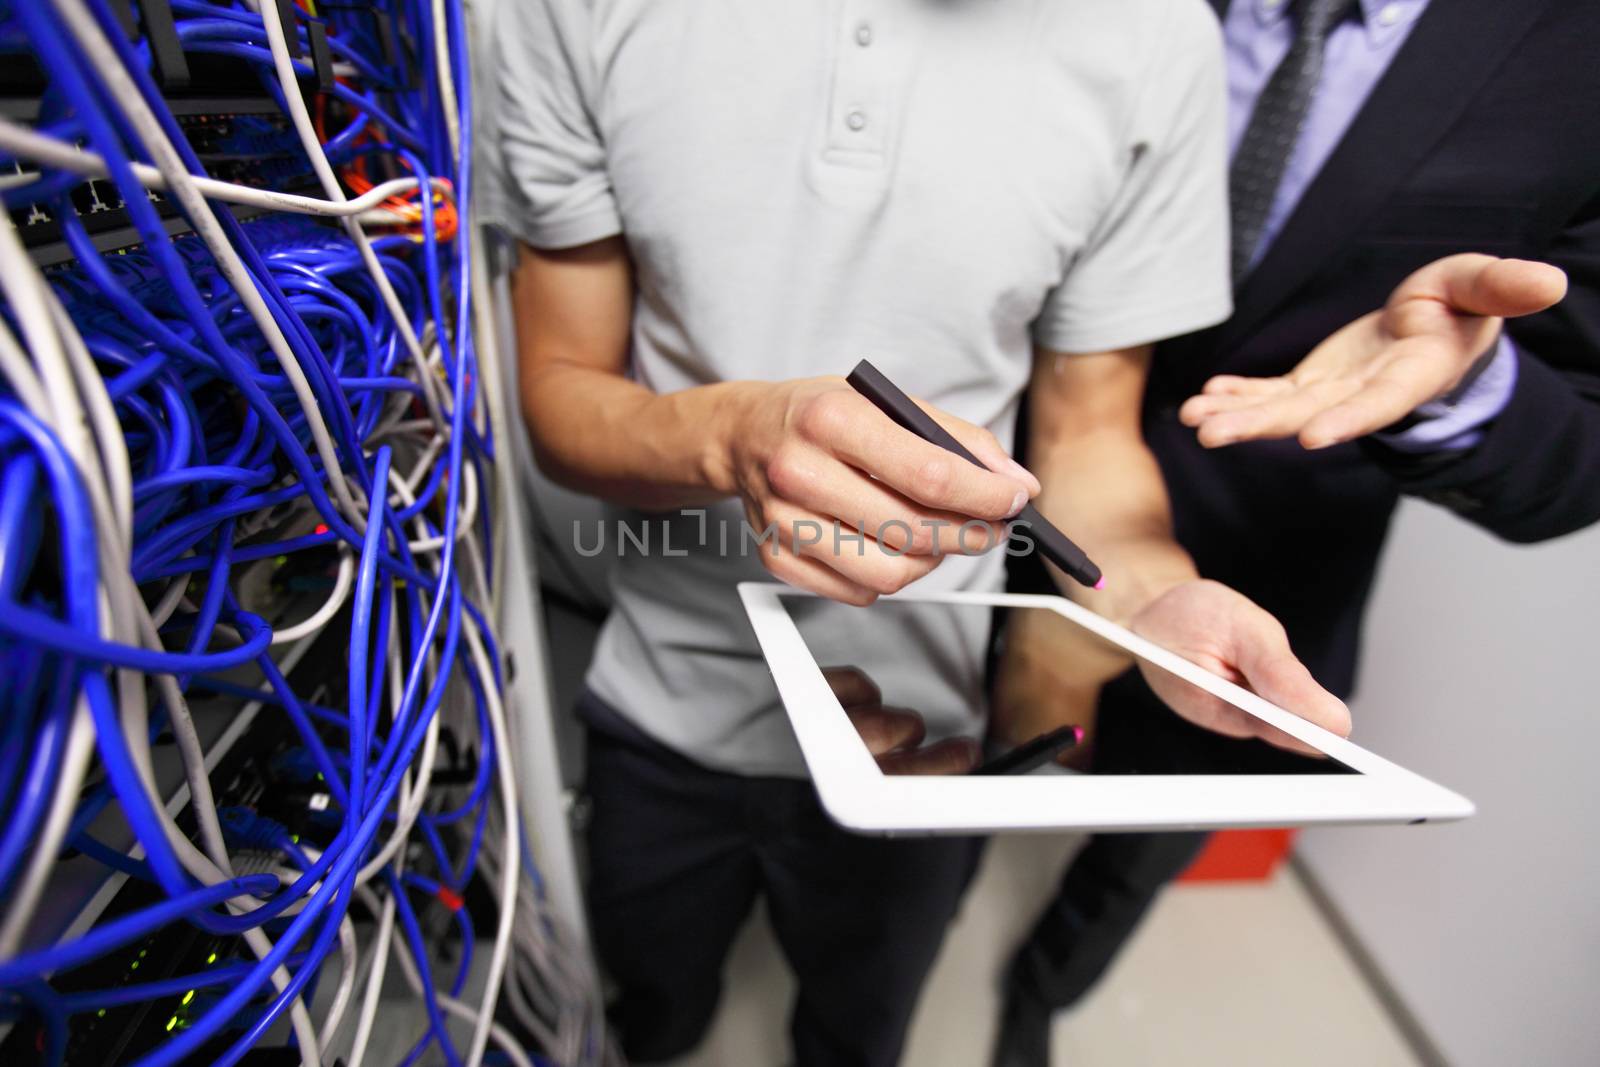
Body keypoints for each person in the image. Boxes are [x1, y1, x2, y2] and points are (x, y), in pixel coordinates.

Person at [484, 1, 1357, 1063]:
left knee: (861, 1024)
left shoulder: (1157, 37)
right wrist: (730, 436)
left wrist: (1145, 602)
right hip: (658, 690)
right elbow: (560, 394)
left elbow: (1086, 439)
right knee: (651, 1002)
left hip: (928, 731)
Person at [991, 1, 1600, 1064]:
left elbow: (1575, 460)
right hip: (1003, 474)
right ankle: (923, 906)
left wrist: (1461, 382)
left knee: (1148, 834)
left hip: (1276, 551)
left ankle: (1041, 987)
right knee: (948, 759)